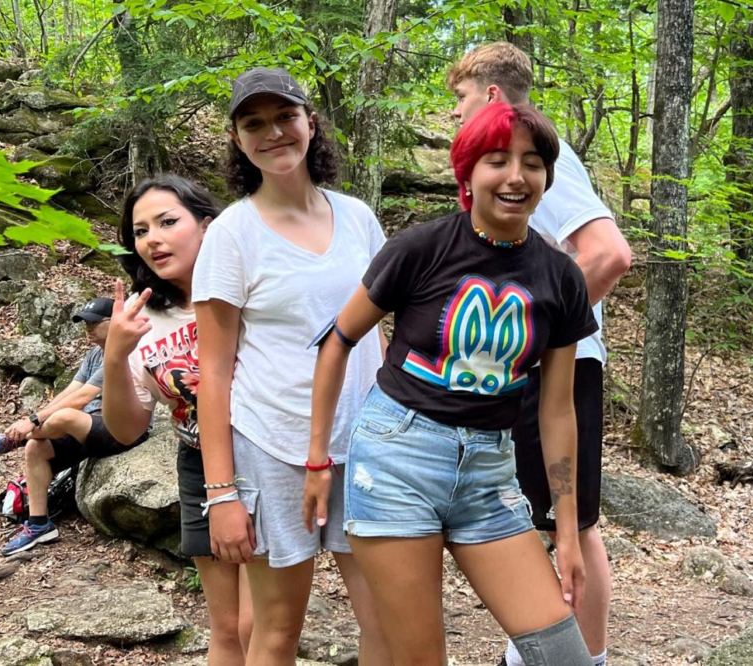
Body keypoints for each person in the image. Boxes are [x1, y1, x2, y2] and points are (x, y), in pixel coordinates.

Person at [305, 102, 596, 666]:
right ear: (467, 174)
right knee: (414, 656)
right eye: (497, 160)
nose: (516, 176)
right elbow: (338, 340)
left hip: (489, 475)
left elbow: (558, 411)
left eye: (532, 163)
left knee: (562, 655)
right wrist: (319, 458)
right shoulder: (422, 248)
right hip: (397, 459)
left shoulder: (561, 277)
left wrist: (566, 528)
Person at [192, 67, 390, 666]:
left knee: (385, 619)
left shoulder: (357, 218)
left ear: (311, 122)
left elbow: (388, 331)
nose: (273, 133)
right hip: (271, 448)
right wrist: (222, 494)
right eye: (254, 123)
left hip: (364, 447)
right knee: (277, 629)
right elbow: (215, 374)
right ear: (237, 138)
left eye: (285, 117)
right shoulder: (232, 235)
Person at [447, 41, 632, 666]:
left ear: (492, 96)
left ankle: (583, 657)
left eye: (461, 99)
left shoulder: (540, 163)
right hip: (544, 366)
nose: (455, 113)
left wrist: (539, 326)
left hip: (563, 366)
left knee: (570, 525)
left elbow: (609, 253)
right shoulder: (526, 161)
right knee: (547, 520)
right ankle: (535, 653)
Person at [102, 174, 253, 666]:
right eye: (141, 231)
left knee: (261, 621)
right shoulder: (145, 321)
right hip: (197, 465)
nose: (153, 239)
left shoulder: (251, 292)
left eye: (168, 222)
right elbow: (126, 430)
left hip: (262, 456)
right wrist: (114, 356)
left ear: (208, 226)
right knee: (227, 627)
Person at [0, 297, 149, 556]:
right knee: (36, 449)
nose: (88, 329)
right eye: (85, 324)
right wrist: (34, 418)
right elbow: (71, 391)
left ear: (114, 322)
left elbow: (84, 397)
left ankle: (16, 439)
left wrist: (33, 422)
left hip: (121, 428)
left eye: (94, 323)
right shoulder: (94, 354)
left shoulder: (122, 352)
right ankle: (39, 524)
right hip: (90, 428)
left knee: (64, 417)